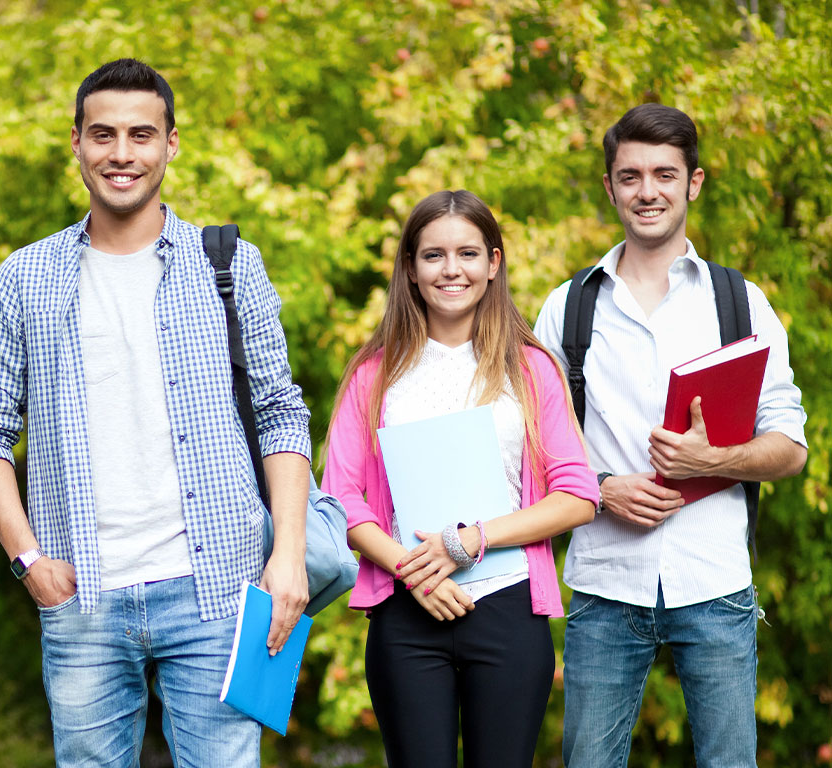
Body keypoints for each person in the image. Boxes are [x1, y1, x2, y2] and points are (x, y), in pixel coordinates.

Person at [0, 58, 311, 766]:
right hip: (80, 593)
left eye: (141, 135)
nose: (123, 154)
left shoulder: (231, 264)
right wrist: (29, 561)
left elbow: (280, 412)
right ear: (77, 143)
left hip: (216, 589)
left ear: (171, 144)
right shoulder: (25, 276)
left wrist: (290, 556)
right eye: (104, 135)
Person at [534, 104, 807, 767]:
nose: (647, 191)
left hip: (714, 581)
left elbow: (791, 448)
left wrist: (716, 458)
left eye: (664, 173)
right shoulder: (567, 307)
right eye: (630, 176)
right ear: (609, 187)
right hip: (604, 585)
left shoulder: (739, 303)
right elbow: (529, 451)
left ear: (695, 183)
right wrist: (600, 490)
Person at [323, 190, 598, 768]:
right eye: (434, 256)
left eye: (468, 254)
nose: (452, 270)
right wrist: (411, 569)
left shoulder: (531, 368)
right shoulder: (373, 375)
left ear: (493, 264)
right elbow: (341, 499)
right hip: (405, 610)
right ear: (410, 270)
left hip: (508, 609)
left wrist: (470, 540)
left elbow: (578, 495)